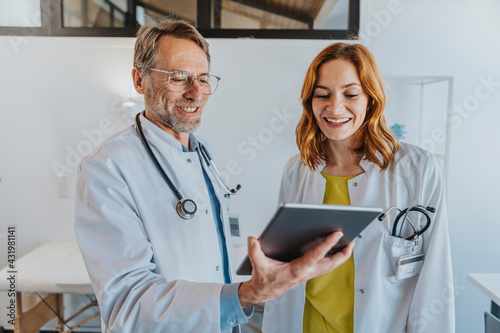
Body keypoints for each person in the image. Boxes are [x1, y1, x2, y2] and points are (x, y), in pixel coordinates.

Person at [74, 20, 354, 333]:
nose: (196, 93)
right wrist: (245, 296)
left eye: (204, 79)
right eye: (179, 77)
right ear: (140, 80)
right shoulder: (108, 168)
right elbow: (127, 304)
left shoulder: (202, 151)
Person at [261, 43, 454, 333]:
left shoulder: (418, 168)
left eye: (350, 94)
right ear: (309, 101)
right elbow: (282, 264)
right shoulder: (298, 169)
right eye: (322, 95)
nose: (335, 107)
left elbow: (435, 277)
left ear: (371, 100)